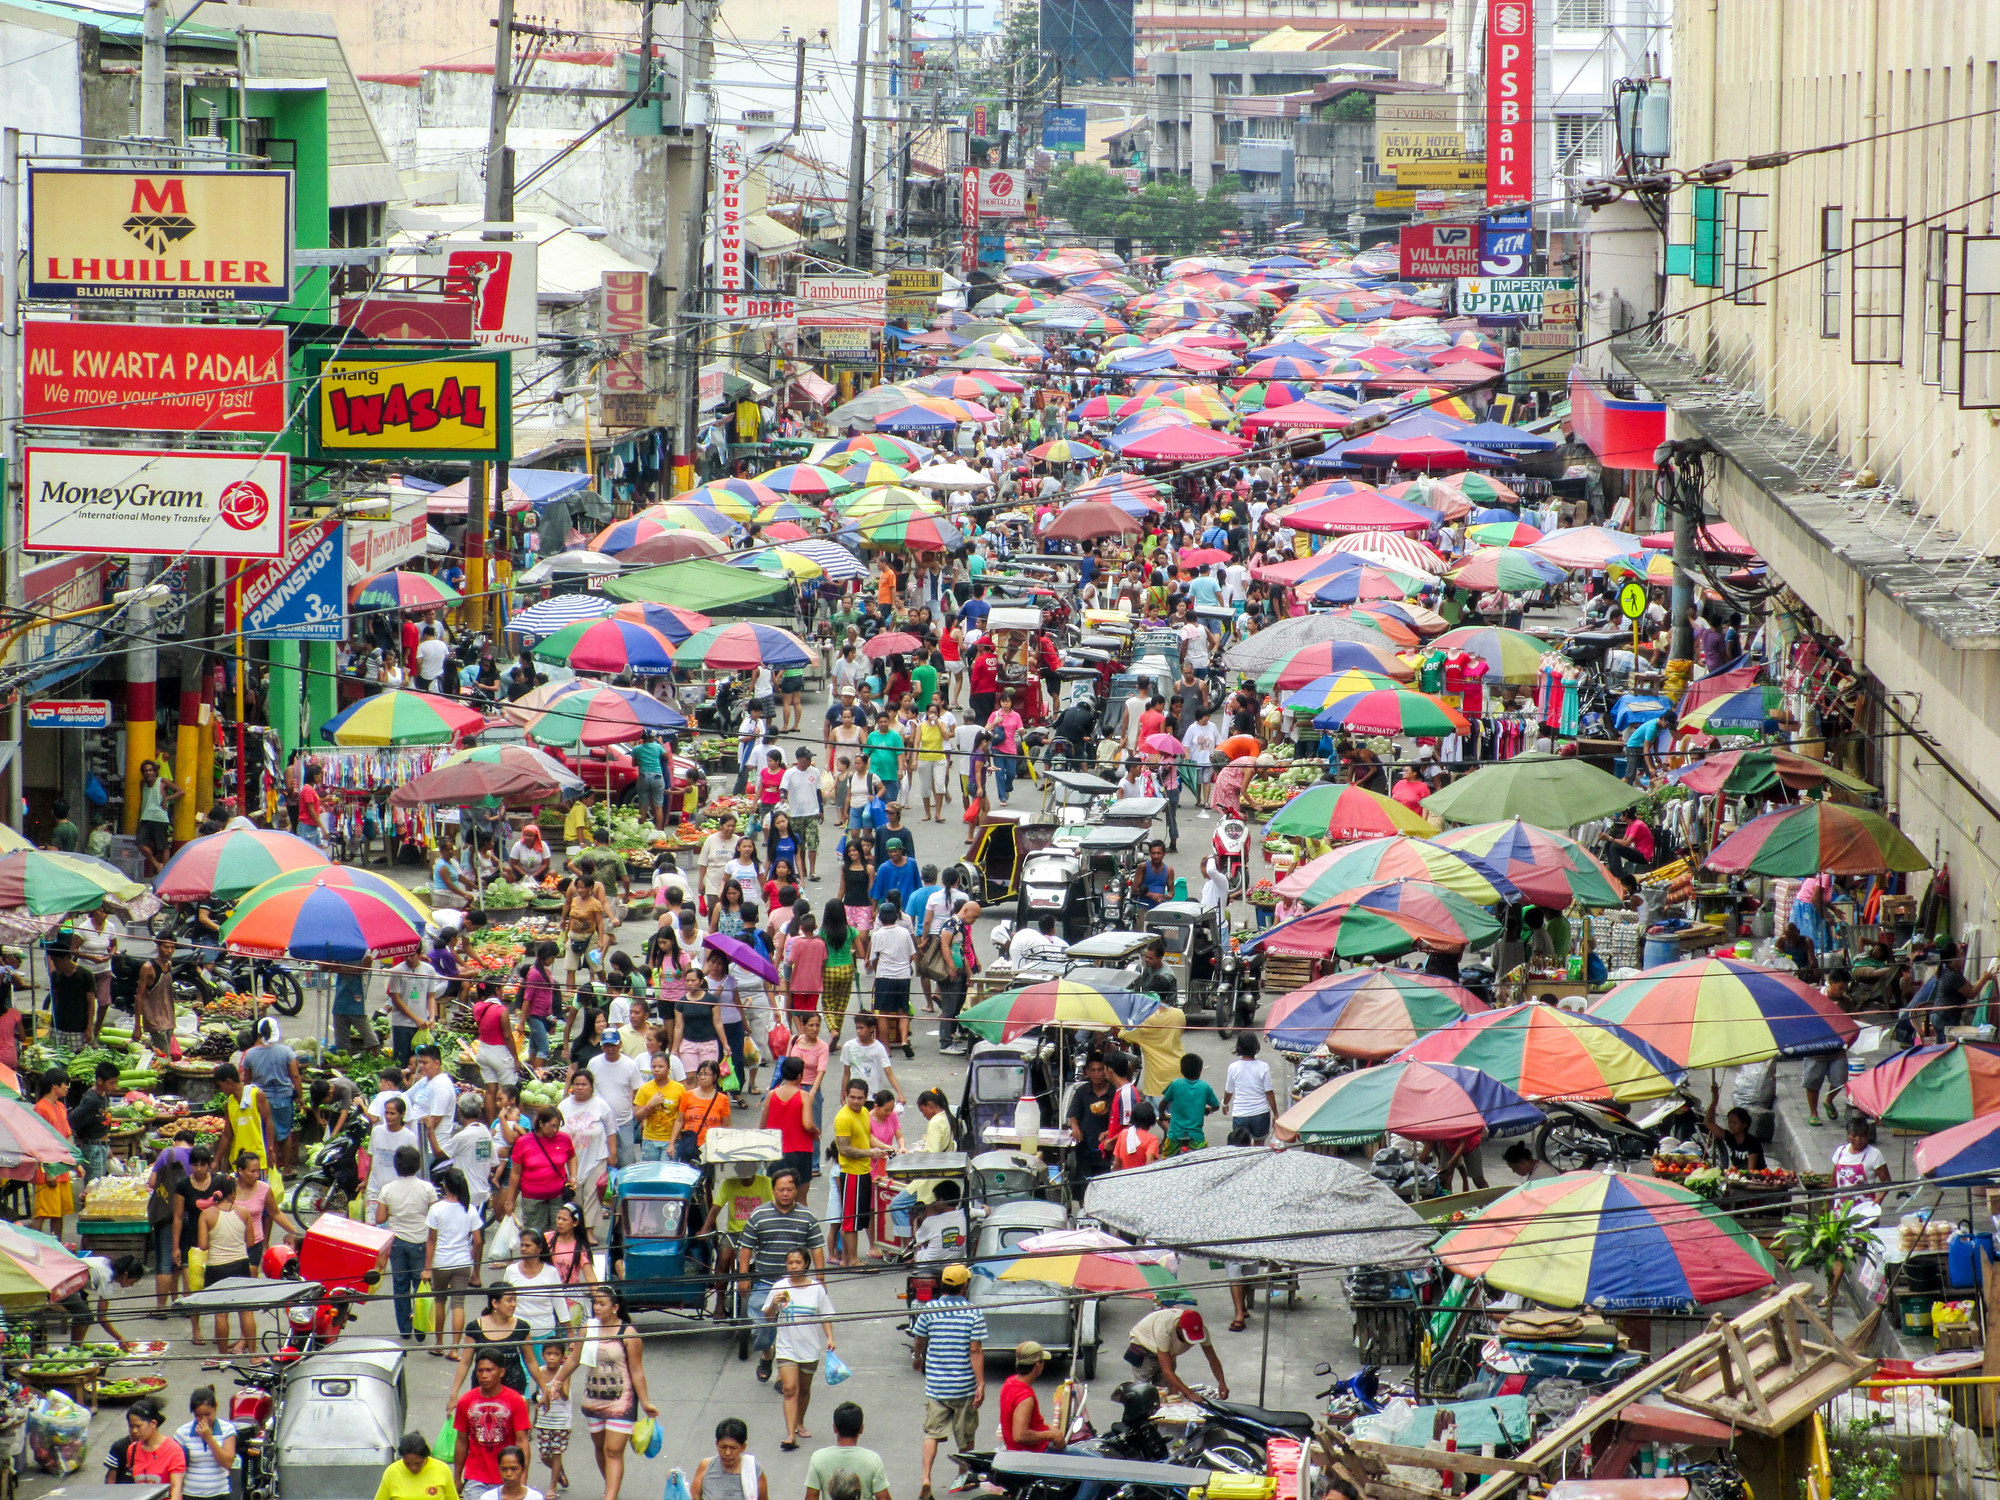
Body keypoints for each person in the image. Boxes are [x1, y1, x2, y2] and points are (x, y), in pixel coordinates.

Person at [552, 1286, 657, 1500]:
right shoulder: (588, 1329)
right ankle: (611, 1488)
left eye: (602, 1304)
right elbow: (574, 1359)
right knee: (600, 1447)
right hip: (593, 1398)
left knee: (613, 1450)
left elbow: (637, 1371)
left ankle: (610, 1496)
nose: (597, 1307)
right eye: (595, 1303)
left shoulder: (628, 1333)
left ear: (615, 1307)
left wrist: (645, 1402)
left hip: (622, 1401)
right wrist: (557, 1381)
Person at [913, 1263, 988, 1500]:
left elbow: (920, 1340)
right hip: (964, 1387)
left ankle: (926, 1478)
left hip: (937, 1387)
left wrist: (918, 1358)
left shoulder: (930, 1309)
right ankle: (963, 1478)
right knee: (966, 1437)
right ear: (964, 1285)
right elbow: (975, 1350)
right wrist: (980, 1383)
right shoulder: (973, 1312)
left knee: (932, 1434)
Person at [763, 1247, 838, 1450]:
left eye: (797, 1262)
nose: (793, 1266)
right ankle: (790, 1435)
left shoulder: (816, 1289)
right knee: (789, 1389)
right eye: (790, 1263)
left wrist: (830, 1338)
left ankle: (799, 1422)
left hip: (810, 1348)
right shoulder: (779, 1286)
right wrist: (773, 1306)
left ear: (806, 1264)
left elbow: (825, 1316)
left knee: (804, 1389)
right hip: (787, 1348)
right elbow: (768, 1318)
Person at [376, 1145, 438, 1343]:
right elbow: (435, 1215)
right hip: (421, 1240)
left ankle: (404, 1328)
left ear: (396, 1166)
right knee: (421, 1285)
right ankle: (420, 1324)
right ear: (418, 1165)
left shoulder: (387, 1189)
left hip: (398, 1243)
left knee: (400, 1286)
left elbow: (380, 1218)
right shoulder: (427, 1188)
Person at [453, 1350, 534, 1500]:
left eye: (489, 1370)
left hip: (506, 1476)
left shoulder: (515, 1400)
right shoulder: (465, 1401)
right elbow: (461, 1441)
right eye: (480, 1370)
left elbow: (522, 1441)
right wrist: (457, 1477)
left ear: (501, 1372)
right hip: (476, 1476)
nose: (484, 1375)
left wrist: (523, 1476)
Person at [449, 1287, 547, 1409]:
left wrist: (544, 1388)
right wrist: (454, 1394)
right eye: (509, 1301)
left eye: (515, 1301)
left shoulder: (521, 1327)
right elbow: (465, 1362)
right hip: (483, 1392)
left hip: (514, 1388)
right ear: (495, 1303)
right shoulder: (475, 1327)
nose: (513, 1305)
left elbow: (531, 1361)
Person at [831, 1078, 888, 1267]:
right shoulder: (843, 1118)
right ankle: (853, 1260)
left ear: (866, 1098)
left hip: (864, 1172)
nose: (855, 1101)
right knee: (851, 1221)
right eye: (852, 1097)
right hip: (851, 1174)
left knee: (858, 1218)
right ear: (846, 1095)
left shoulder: (864, 1112)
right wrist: (870, 1153)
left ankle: (847, 1259)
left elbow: (867, 1135)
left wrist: (883, 1146)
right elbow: (844, 1149)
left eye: (860, 1098)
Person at [1125, 1306, 1228, 1402]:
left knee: (1167, 1391)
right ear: (1179, 1328)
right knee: (1143, 1391)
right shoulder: (1165, 1330)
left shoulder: (1201, 1328)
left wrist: (1221, 1382)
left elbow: (1212, 1358)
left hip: (1168, 1351)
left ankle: (1161, 1417)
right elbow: (1167, 1371)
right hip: (1144, 1346)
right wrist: (1189, 1394)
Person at [503, 1107, 576, 1234]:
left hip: (558, 1197)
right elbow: (515, 1173)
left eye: (558, 1126)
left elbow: (572, 1156)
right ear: (541, 1123)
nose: (555, 1130)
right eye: (552, 1126)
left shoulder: (564, 1139)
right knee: (535, 1236)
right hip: (533, 1200)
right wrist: (510, 1201)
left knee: (559, 1234)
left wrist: (573, 1176)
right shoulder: (523, 1142)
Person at [803, 1403, 893, 1500]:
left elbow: (811, 1497)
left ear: (835, 1428)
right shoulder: (872, 1459)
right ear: (861, 1429)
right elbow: (884, 1498)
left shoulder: (819, 1458)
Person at [63, 1252, 144, 1346]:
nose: (131, 1285)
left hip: (68, 1279)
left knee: (83, 1309)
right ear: (125, 1275)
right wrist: (119, 1338)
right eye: (133, 1282)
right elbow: (101, 1317)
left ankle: (76, 1346)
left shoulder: (105, 1262)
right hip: (62, 1283)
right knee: (85, 1315)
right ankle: (75, 1348)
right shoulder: (107, 1278)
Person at [998, 1342, 1064, 1452]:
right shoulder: (1025, 1397)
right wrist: (1050, 1435)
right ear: (1038, 1365)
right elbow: (1020, 1435)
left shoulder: (1009, 1382)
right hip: (1036, 1452)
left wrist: (1048, 1428)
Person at [177, 1386, 238, 1500]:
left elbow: (227, 1462)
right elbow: (177, 1468)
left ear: (215, 1408)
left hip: (219, 1493)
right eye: (199, 1416)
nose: (204, 1420)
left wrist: (209, 1438)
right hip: (191, 1494)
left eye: (208, 1414)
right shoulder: (182, 1433)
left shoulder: (227, 1429)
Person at [126, 1396, 190, 1500]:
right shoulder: (132, 1450)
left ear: (153, 1423)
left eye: (138, 1426)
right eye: (131, 1426)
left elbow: (176, 1488)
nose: (134, 1431)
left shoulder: (173, 1450)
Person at [692, 1418, 771, 1500]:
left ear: (743, 1447)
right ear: (717, 1444)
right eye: (723, 1447)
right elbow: (695, 1493)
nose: (727, 1453)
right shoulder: (706, 1466)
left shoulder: (754, 1471)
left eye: (733, 1448)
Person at [1065, 1054, 1114, 1181]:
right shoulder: (1082, 1091)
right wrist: (1075, 1128)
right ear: (1087, 1072)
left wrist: (1107, 1112)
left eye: (1100, 1069)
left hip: (1106, 1150)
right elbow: (1073, 1115)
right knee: (1083, 1185)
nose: (1097, 1074)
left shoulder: (1114, 1092)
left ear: (1106, 1071)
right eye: (1093, 1070)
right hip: (1085, 1147)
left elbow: (1120, 1119)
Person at [1223, 1034, 1277, 1145]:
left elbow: (1229, 1091)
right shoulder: (1263, 1067)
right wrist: (1275, 1113)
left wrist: (1225, 1104)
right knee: (1258, 1148)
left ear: (1238, 1047)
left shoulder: (1233, 1067)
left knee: (1241, 1149)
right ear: (1256, 1047)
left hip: (1240, 1115)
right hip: (1261, 1114)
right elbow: (1269, 1093)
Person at [374, 1431, 456, 1500]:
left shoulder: (442, 1469)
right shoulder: (392, 1472)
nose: (413, 1468)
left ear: (426, 1456)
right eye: (407, 1464)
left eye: (418, 1463)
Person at [1705, 1083, 1768, 1172]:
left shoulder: (1753, 1143)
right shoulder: (1730, 1137)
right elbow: (1708, 1122)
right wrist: (1715, 1100)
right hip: (1738, 1176)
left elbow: (1751, 1171)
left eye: (1734, 1123)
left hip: (1754, 1178)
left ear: (1744, 1124)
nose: (1731, 1125)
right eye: (1729, 1122)